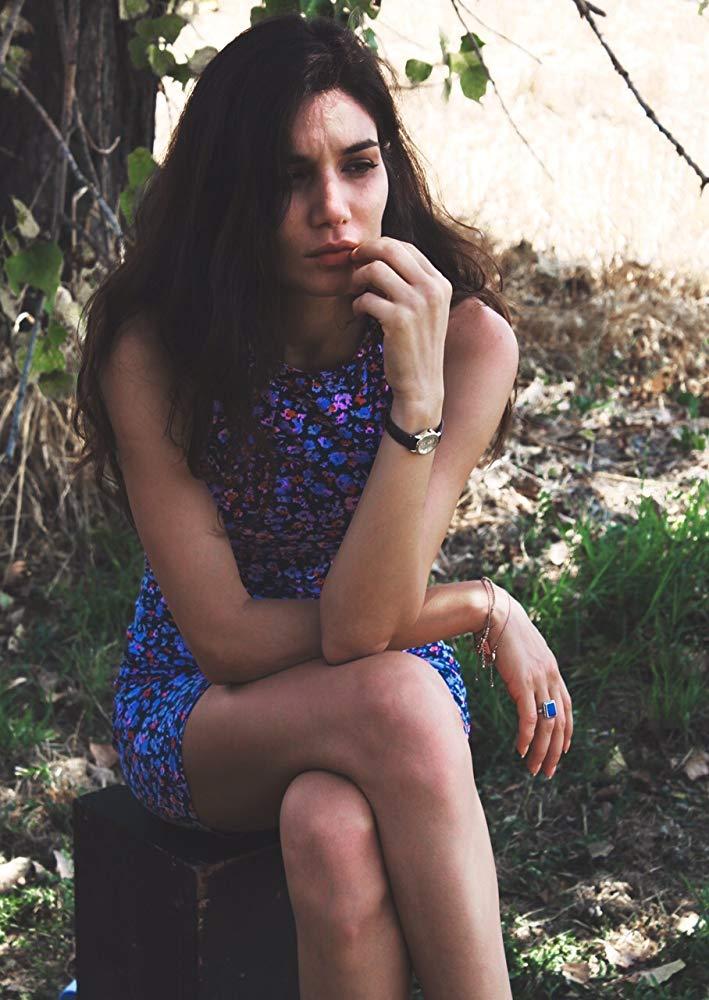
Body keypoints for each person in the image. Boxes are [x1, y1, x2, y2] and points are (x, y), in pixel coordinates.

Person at [72, 13, 573, 999]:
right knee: (400, 701)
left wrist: (415, 397)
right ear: (229, 191)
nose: (334, 210)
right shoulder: (159, 349)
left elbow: (362, 625)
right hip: (203, 704)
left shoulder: (465, 343)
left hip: (387, 657)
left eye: (358, 165)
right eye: (287, 177)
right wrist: (475, 605)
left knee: (330, 826)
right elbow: (226, 636)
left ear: (390, 167)